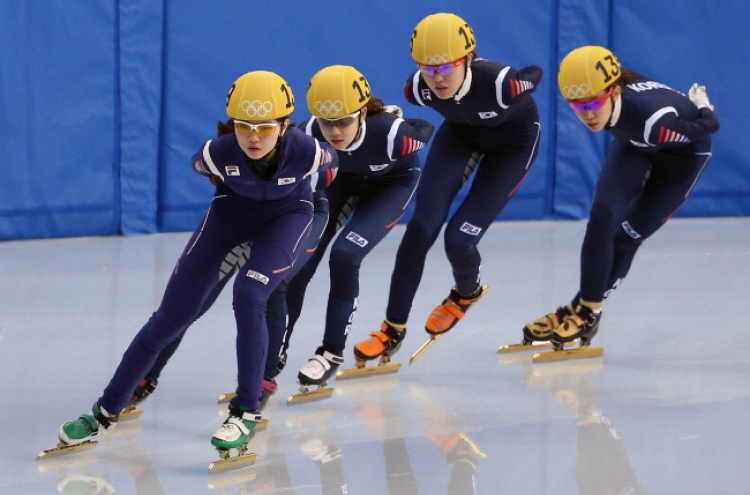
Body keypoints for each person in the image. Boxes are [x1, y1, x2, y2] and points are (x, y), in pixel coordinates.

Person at [53, 70, 338, 459]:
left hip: (287, 218)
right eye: (244, 126)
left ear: (285, 125)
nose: (253, 137)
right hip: (230, 217)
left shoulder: (308, 151)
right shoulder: (215, 154)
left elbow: (332, 167)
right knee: (170, 316)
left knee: (250, 294)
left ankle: (245, 411)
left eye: (265, 128)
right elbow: (208, 172)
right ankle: (104, 411)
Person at [352, 12, 543, 364]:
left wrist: (524, 80)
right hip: (461, 135)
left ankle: (465, 293)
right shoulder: (418, 88)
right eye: (428, 67)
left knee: (459, 239)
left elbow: (535, 72)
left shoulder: (502, 84)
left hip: (513, 146)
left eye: (446, 67)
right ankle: (392, 328)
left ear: (468, 59)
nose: (437, 77)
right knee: (420, 230)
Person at [521, 45, 719, 350]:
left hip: (682, 157)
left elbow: (709, 126)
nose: (587, 114)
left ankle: (587, 313)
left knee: (626, 236)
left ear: (614, 93)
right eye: (577, 105)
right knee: (601, 218)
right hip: (636, 142)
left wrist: (702, 105)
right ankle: (580, 309)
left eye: (594, 103)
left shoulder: (656, 122)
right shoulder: (615, 92)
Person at [285, 65, 434, 388]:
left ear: (363, 114)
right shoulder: (309, 132)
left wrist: (399, 118)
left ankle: (330, 352)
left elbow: (425, 126)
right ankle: (274, 353)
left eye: (345, 121)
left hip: (392, 184)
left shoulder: (394, 134)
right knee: (299, 261)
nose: (335, 132)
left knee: (345, 255)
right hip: (342, 181)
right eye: (328, 123)